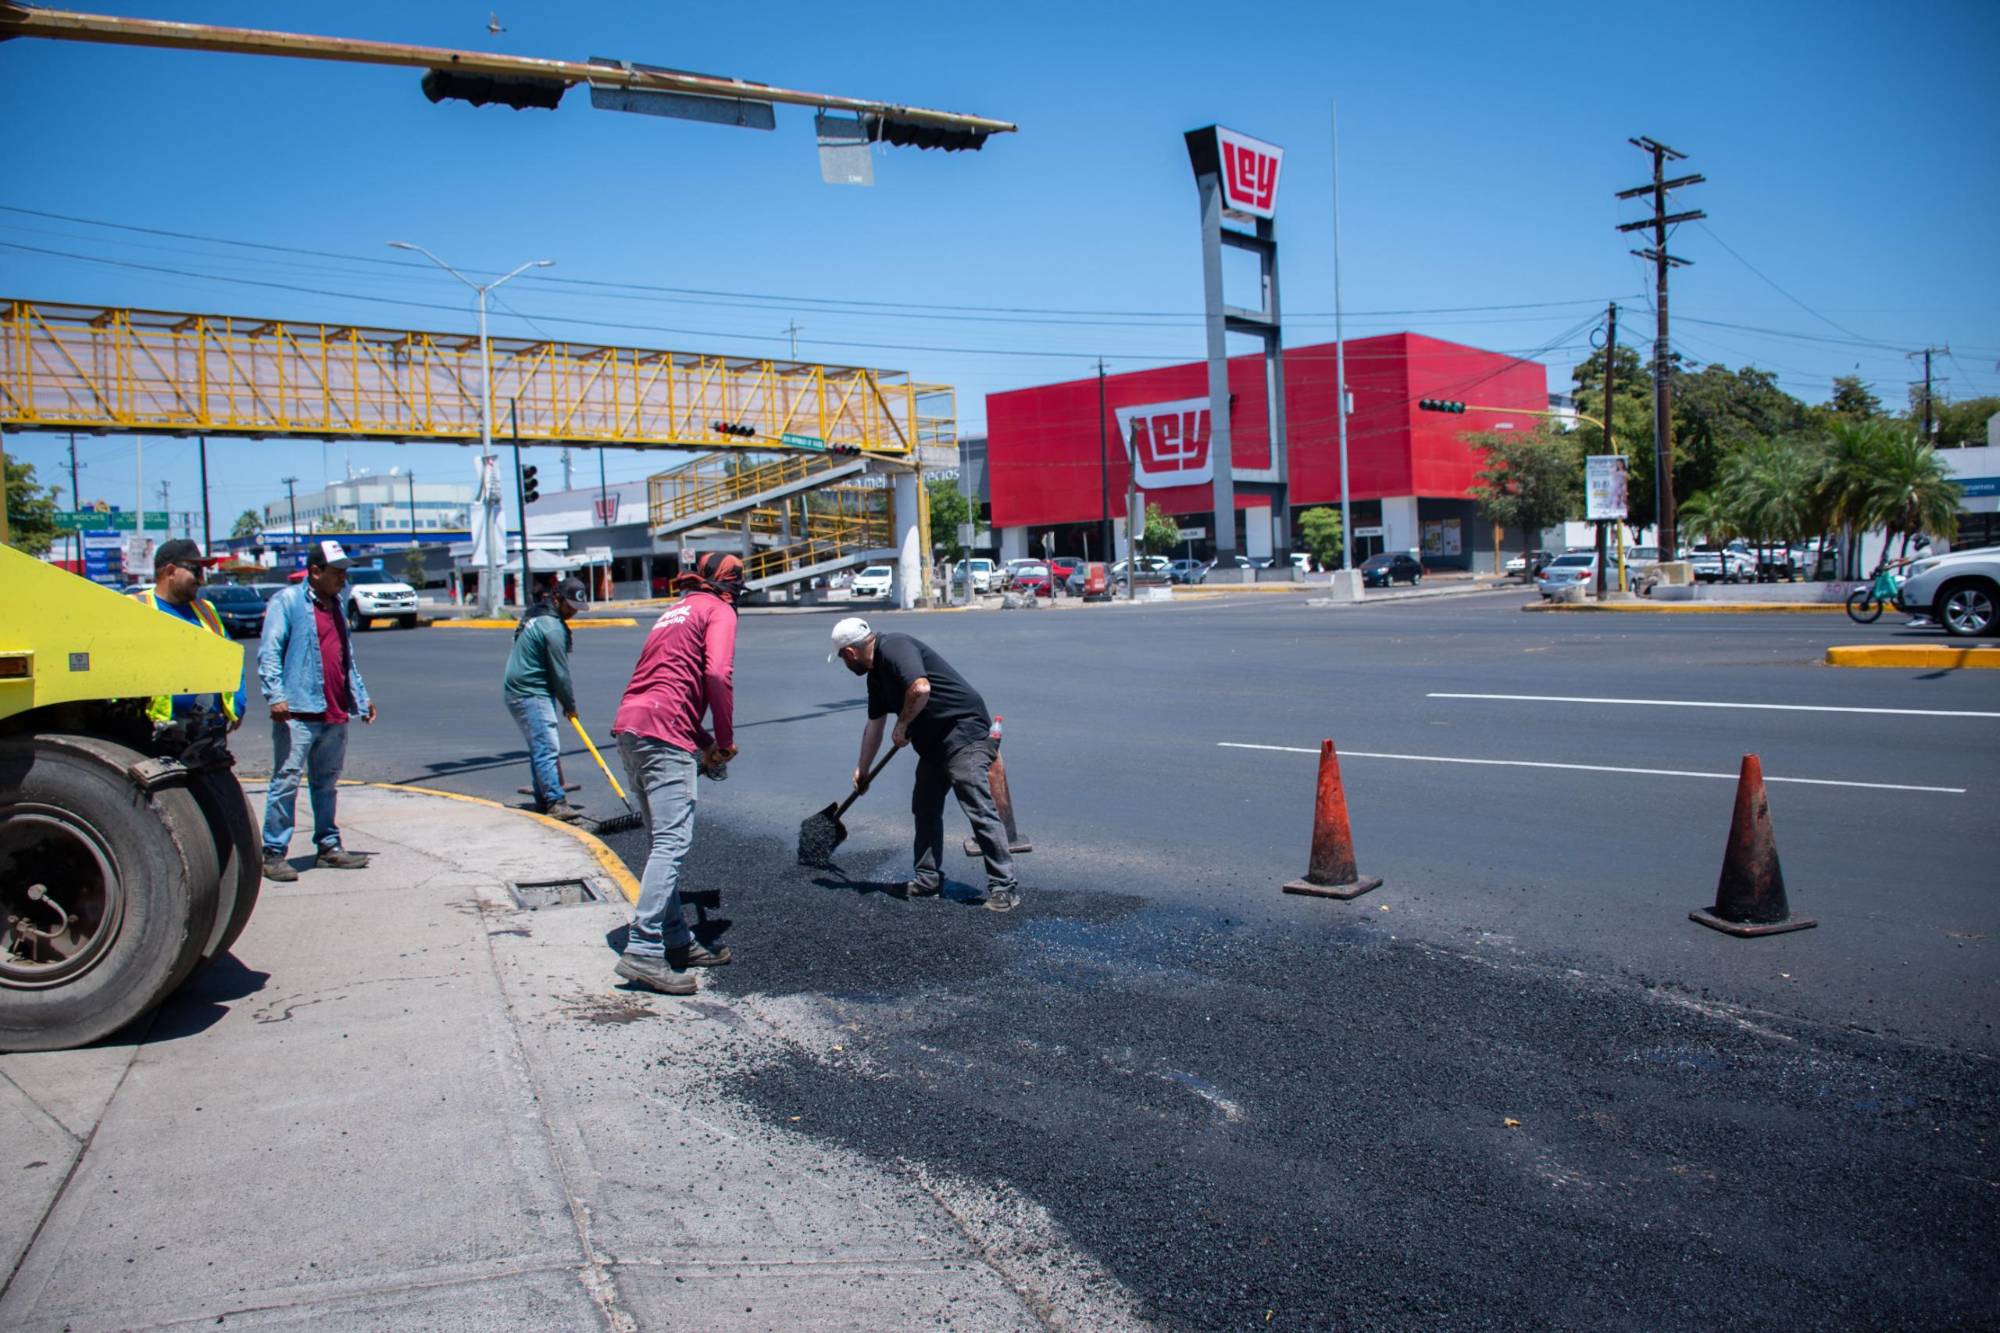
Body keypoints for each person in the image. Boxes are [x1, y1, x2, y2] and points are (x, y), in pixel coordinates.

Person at [610, 551, 742, 996]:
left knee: (659, 841)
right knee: (671, 841)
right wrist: (724, 739)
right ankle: (645, 951)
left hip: (632, 725)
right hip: (663, 732)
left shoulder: (674, 611)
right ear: (730, 586)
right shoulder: (719, 610)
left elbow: (668, 686)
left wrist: (705, 746)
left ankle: (676, 940)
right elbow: (717, 675)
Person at [829, 617, 1019, 912]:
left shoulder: (894, 647)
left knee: (978, 808)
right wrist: (863, 769)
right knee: (925, 806)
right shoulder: (875, 678)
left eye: (841, 658)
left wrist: (902, 725)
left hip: (963, 731)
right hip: (933, 743)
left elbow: (920, 688)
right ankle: (928, 880)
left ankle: (1004, 887)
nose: (844, 663)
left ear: (850, 653)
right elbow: (874, 725)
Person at [257, 539, 376, 882]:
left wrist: (362, 696)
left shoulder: (337, 605)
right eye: (337, 572)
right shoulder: (288, 602)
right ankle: (274, 853)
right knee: (286, 781)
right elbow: (269, 652)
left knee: (326, 783)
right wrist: (276, 695)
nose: (343, 578)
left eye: (344, 572)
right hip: (298, 711)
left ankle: (328, 847)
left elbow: (344, 658)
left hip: (334, 710)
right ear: (315, 571)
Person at [130, 538, 247, 737]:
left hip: (207, 729)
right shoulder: (136, 608)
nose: (202, 579)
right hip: (157, 731)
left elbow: (231, 660)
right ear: (170, 572)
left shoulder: (206, 609)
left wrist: (237, 704)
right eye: (196, 570)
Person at [503, 575, 588, 822]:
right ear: (558, 598)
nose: (573, 612)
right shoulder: (552, 627)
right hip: (530, 692)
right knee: (546, 746)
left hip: (519, 690)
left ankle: (543, 796)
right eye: (570, 607)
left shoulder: (537, 615)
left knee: (539, 745)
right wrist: (570, 706)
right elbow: (560, 674)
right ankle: (554, 801)